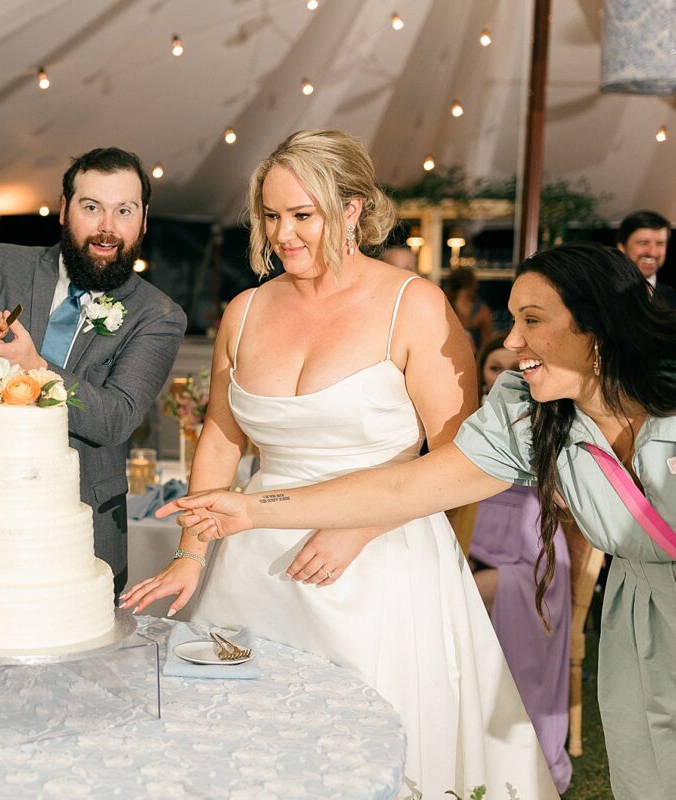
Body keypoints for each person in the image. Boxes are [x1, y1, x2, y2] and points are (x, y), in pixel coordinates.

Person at [155, 243, 676, 800]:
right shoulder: (529, 412)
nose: (510, 342)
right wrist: (252, 509)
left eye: (532, 320)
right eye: (513, 320)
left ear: (595, 327)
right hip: (637, 619)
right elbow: (406, 487)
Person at [121, 129, 555, 797]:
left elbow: (460, 459)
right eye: (270, 215)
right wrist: (190, 552)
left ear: (352, 208)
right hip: (254, 559)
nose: (282, 235)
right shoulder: (244, 310)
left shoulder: (415, 307)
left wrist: (362, 525)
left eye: (302, 215)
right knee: (245, 746)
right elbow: (220, 438)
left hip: (377, 560)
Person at [0, 147, 186, 593]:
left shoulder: (159, 315)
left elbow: (116, 417)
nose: (107, 228)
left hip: (77, 534)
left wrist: (33, 367)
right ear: (63, 209)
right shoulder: (3, 264)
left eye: (124, 211)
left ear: (144, 220)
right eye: (91, 207)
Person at [468, 333, 573, 792]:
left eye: (514, 369)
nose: (503, 378)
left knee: (457, 596)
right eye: (493, 368)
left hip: (530, 559)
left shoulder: (553, 423)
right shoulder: (465, 426)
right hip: (473, 542)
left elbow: (568, 501)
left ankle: (500, 744)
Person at [617, 209, 676, 306]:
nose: (652, 252)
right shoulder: (601, 293)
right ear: (622, 247)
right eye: (644, 243)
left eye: (660, 244)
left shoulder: (672, 297)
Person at [446, 264, 494, 351]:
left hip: (473, 359)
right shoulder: (482, 311)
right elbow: (487, 343)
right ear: (472, 285)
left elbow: (486, 344)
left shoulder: (481, 310)